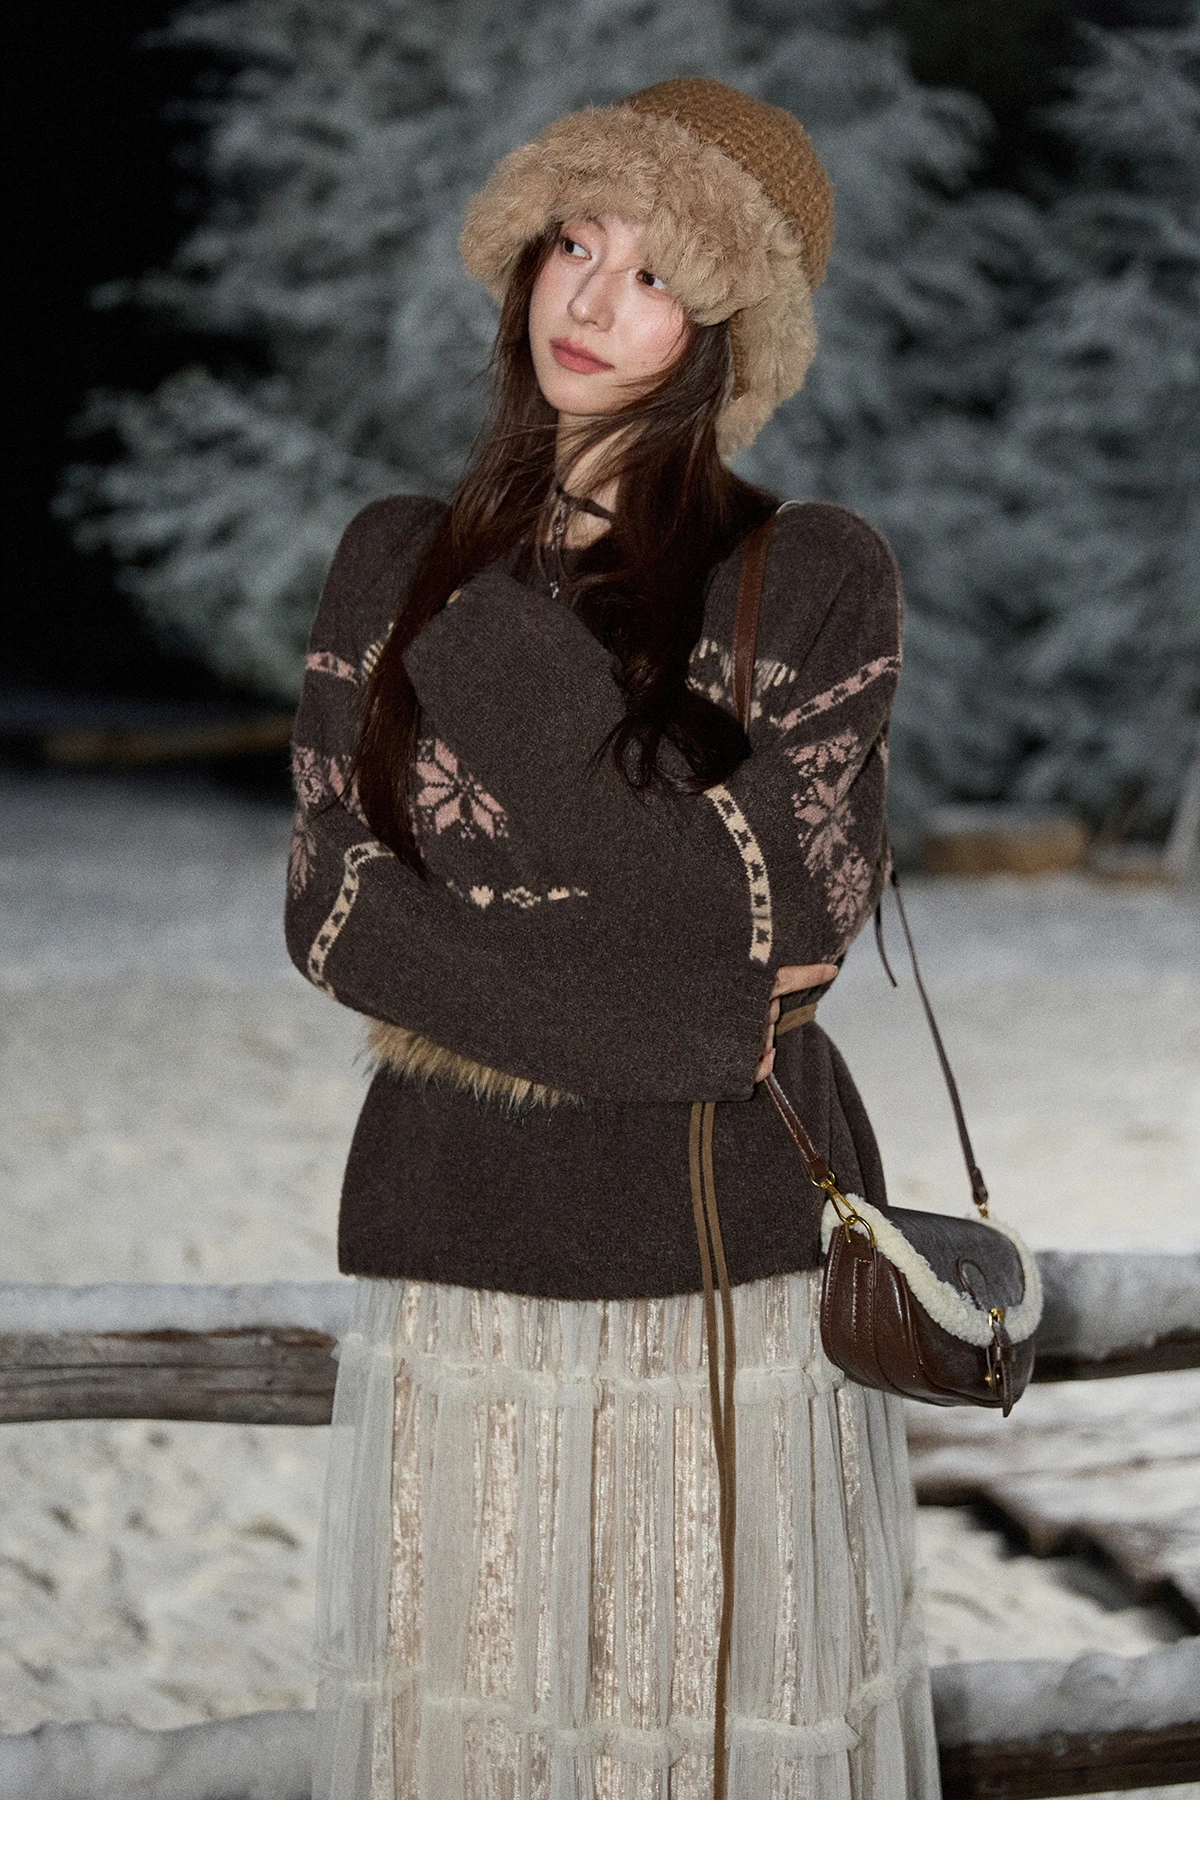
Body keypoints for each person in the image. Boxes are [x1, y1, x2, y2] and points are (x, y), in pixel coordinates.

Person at [286, 78, 941, 1800]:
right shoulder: (391, 561)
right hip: (461, 1248)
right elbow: (337, 913)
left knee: (702, 1758)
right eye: (575, 242)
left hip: (718, 1269)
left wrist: (496, 657)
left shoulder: (811, 577)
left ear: (725, 329)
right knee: (478, 1754)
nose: (587, 299)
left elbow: (774, 920)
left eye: (655, 274)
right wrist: (681, 1024)